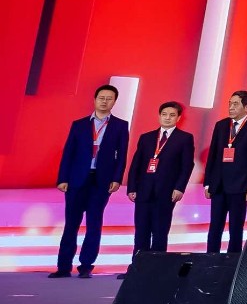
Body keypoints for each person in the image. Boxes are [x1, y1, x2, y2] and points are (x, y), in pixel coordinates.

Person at [52, 84, 130, 278]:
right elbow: (68, 153)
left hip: (101, 180)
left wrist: (117, 178)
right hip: (77, 179)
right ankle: (63, 267)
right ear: (95, 99)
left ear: (114, 102)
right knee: (71, 224)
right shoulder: (79, 124)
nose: (104, 101)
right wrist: (63, 178)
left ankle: (86, 266)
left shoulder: (120, 125)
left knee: (94, 223)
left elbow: (122, 155)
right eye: (101, 97)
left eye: (109, 98)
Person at [126, 100, 195, 255]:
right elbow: (136, 164)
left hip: (166, 192)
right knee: (141, 231)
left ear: (178, 118)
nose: (167, 118)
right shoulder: (146, 137)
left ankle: (157, 266)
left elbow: (187, 166)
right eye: (164, 114)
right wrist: (132, 187)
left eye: (172, 115)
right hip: (143, 191)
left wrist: (179, 188)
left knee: (160, 232)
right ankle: (138, 265)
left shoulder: (184, 138)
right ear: (159, 116)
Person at [204, 89, 247, 254]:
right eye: (230, 104)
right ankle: (210, 259)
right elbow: (213, 155)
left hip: (241, 186)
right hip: (218, 185)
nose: (231, 107)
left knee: (236, 228)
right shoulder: (221, 125)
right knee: (214, 226)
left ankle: (232, 261)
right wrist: (208, 183)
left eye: (235, 104)